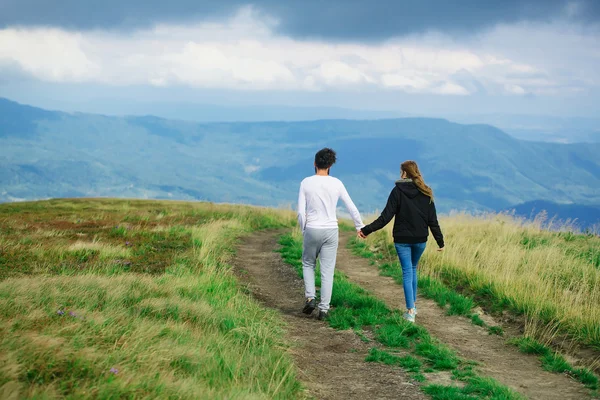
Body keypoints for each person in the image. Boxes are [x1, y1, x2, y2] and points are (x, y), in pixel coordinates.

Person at [358, 160, 444, 323]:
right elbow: (433, 221)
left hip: (402, 239)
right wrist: (440, 242)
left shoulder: (397, 191)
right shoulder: (426, 192)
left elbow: (385, 217)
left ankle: (410, 311)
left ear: (404, 173)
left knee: (407, 271)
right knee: (413, 269)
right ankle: (413, 306)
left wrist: (366, 230)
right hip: (420, 239)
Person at [298, 148, 365, 320]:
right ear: (330, 165)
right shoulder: (337, 183)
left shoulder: (306, 182)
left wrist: (304, 229)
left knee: (308, 264)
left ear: (315, 164)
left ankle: (310, 297)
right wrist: (360, 226)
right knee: (327, 271)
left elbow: (300, 212)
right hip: (331, 230)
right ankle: (324, 309)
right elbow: (351, 206)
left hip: (312, 228)